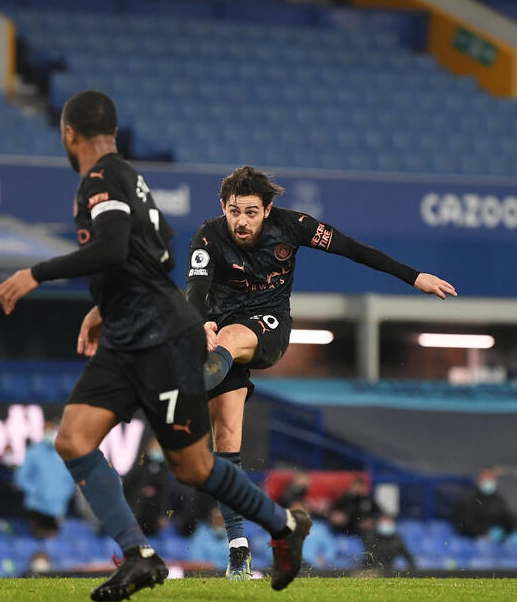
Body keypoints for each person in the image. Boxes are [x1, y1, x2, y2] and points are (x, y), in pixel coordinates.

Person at [0, 90, 311, 602]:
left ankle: (281, 526)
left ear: (68, 135)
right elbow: (156, 250)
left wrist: (36, 273)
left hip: (158, 337)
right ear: (113, 133)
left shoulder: (100, 181)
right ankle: (138, 556)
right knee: (73, 439)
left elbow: (114, 247)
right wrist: (105, 304)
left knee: (194, 468)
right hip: (127, 335)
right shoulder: (132, 179)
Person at [185, 165, 456, 580]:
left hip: (266, 328)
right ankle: (239, 550)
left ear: (268, 209)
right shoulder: (208, 235)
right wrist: (199, 320)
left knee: (229, 339)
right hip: (220, 339)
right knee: (226, 439)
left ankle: (174, 391)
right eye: (234, 211)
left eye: (251, 212)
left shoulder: (294, 226)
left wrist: (413, 276)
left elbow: (352, 249)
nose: (241, 220)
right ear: (223, 206)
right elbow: (196, 289)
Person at [13, 426, 76, 539]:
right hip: (36, 508)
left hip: (57, 509)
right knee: (35, 543)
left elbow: (71, 481)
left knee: (53, 546)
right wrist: (37, 492)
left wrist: (62, 496)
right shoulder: (33, 452)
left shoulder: (64, 454)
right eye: (48, 431)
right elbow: (21, 478)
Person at [123, 439, 170, 536]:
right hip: (136, 513)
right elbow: (127, 487)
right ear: (149, 448)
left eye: (160, 448)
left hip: (153, 519)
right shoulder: (140, 467)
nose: (158, 450)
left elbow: (166, 494)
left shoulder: (165, 470)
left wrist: (164, 514)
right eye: (155, 447)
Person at [453, 467, 513, 539]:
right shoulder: (468, 499)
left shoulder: (498, 499)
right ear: (479, 480)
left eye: (491, 478)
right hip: (473, 538)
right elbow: (464, 523)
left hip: (498, 539)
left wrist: (510, 531)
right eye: (486, 478)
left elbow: (507, 518)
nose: (489, 481)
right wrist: (484, 532)